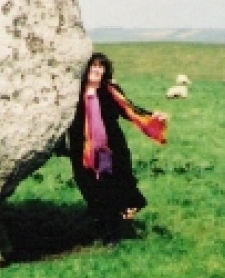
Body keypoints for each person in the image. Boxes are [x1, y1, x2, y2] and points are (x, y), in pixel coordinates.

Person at [57, 52, 168, 239]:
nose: (97, 70)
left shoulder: (111, 90)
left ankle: (116, 230)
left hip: (111, 149)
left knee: (115, 184)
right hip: (82, 151)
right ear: (86, 69)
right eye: (93, 66)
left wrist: (152, 116)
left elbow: (129, 109)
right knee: (91, 188)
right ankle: (105, 226)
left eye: (101, 66)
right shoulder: (74, 92)